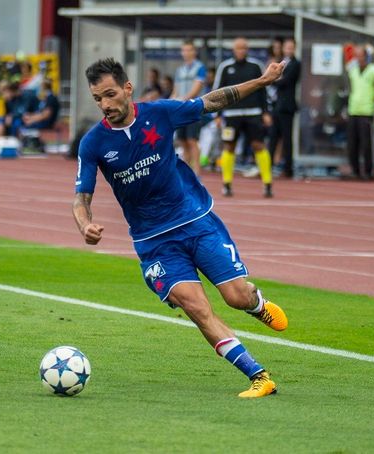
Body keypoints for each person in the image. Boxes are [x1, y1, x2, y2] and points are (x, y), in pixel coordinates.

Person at [73, 57, 288, 398]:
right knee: (197, 308)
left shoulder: (160, 114)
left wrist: (261, 82)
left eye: (110, 94)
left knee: (235, 297)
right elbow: (81, 197)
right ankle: (259, 376)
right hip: (153, 242)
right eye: (97, 98)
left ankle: (255, 303)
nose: (104, 104)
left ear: (127, 89)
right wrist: (85, 225)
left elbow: (214, 100)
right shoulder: (93, 143)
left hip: (195, 221)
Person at [213, 37, 274, 197]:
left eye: (244, 48)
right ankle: (227, 184)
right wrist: (218, 114)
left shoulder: (255, 66)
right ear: (233, 49)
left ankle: (267, 184)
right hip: (231, 115)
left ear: (247, 49)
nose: (241, 51)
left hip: (253, 113)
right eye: (238, 48)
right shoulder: (225, 67)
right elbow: (217, 92)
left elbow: (263, 89)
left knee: (258, 146)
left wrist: (265, 112)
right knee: (229, 147)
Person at [172, 40, 207, 175]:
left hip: (192, 108)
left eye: (189, 50)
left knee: (192, 140)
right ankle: (186, 172)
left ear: (194, 51)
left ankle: (197, 172)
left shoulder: (200, 67)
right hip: (181, 110)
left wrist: (181, 100)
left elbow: (196, 90)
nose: (186, 53)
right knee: (182, 141)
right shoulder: (179, 70)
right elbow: (176, 90)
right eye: (184, 50)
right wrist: (171, 102)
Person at [267, 38, 301, 178]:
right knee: (273, 137)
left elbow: (285, 81)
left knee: (287, 138)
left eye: (291, 47)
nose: (288, 50)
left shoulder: (296, 64)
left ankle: (288, 168)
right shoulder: (280, 62)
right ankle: (267, 167)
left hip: (287, 107)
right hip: (277, 106)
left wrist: (271, 80)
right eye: (286, 47)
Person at [347, 45, 374, 180]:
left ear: (366, 55)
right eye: (357, 55)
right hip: (353, 109)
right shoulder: (353, 70)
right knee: (352, 143)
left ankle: (368, 171)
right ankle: (355, 170)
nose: (359, 57)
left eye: (361, 55)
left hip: (367, 111)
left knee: (366, 144)